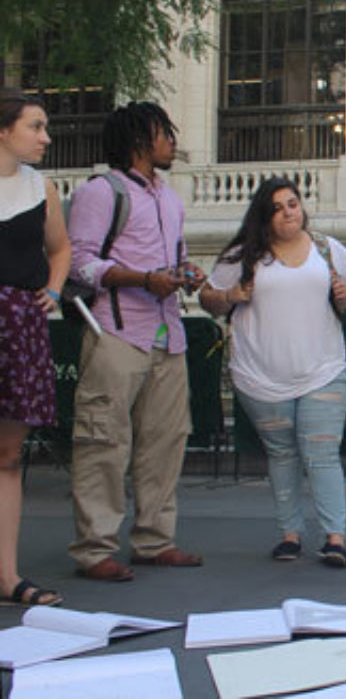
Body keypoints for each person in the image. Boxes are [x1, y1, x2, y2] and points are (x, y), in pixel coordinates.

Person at [66, 101, 206, 582]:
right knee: (103, 440)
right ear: (142, 140)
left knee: (166, 441)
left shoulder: (169, 197)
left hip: (169, 336)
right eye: (165, 133)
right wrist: (144, 279)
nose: (172, 142)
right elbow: (79, 263)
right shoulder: (101, 193)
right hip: (116, 332)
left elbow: (177, 254)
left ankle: (154, 540)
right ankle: (94, 548)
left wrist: (186, 273)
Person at [200, 178, 346, 568]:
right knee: (281, 454)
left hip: (323, 368)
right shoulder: (242, 257)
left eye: (292, 203)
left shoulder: (326, 248)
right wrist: (230, 297)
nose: (289, 212)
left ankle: (335, 537)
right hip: (260, 374)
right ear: (264, 217)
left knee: (322, 453)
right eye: (277, 207)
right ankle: (290, 534)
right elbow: (208, 299)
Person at [0, 90, 68, 606]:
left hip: (20, 322)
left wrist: (53, 291)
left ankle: (7, 577)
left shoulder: (41, 187)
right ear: (5, 130)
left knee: (7, 454)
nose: (46, 137)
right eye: (36, 126)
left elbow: (60, 248)